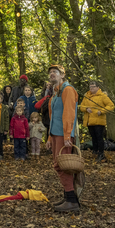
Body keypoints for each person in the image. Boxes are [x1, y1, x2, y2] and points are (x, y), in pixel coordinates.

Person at [44, 64, 80, 213]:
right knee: (58, 164)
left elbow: (69, 114)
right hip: (56, 134)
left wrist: (67, 135)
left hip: (64, 135)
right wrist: (49, 138)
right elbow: (52, 117)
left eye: (55, 72)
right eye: (51, 72)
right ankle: (68, 197)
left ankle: (72, 201)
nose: (52, 74)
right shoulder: (55, 93)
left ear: (62, 75)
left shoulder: (68, 90)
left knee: (63, 165)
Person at [80, 81, 115, 163]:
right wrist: (86, 109)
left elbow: (111, 106)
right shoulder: (87, 96)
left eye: (93, 87)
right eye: (90, 87)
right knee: (93, 137)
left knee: (99, 138)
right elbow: (81, 106)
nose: (91, 88)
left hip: (99, 121)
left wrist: (102, 111)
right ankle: (95, 152)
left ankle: (101, 153)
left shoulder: (103, 96)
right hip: (89, 121)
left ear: (98, 87)